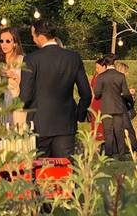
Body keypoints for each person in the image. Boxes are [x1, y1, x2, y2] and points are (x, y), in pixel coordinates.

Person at [19, 19, 92, 158]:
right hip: (66, 123)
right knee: (65, 171)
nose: (33, 39)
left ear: (40, 36)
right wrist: (79, 115)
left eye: (33, 36)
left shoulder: (31, 59)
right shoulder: (73, 58)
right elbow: (86, 94)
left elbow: (25, 96)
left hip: (39, 123)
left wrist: (21, 107)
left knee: (41, 171)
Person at [93, 56, 131, 158]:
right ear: (114, 63)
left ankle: (109, 155)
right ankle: (122, 155)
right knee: (119, 132)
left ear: (105, 64)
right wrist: (130, 102)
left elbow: (96, 94)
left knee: (108, 132)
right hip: (118, 107)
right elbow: (126, 93)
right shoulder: (120, 76)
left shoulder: (101, 76)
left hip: (106, 107)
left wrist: (102, 94)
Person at [0, 27, 26, 125]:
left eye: (8, 41)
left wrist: (15, 78)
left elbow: (26, 85)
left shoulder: (22, 60)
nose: (4, 44)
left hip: (16, 105)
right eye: (1, 41)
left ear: (15, 43)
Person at [115, 61, 137, 157]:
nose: (127, 74)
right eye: (126, 71)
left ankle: (124, 151)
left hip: (119, 107)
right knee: (129, 129)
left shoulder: (117, 80)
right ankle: (136, 151)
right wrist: (129, 94)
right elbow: (120, 93)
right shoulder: (120, 80)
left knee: (123, 130)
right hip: (121, 108)